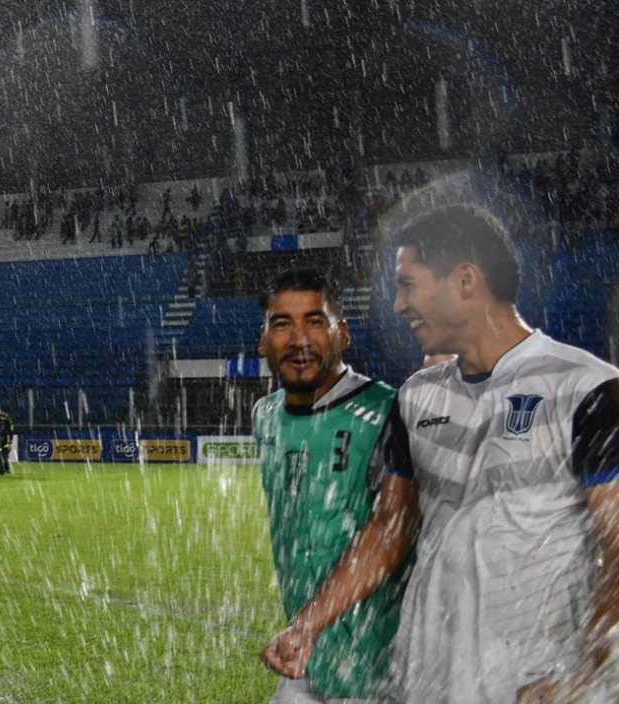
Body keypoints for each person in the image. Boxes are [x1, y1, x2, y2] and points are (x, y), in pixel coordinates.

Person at [262, 204, 619, 704]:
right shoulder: (417, 397)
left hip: (535, 684)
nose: (399, 304)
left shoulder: (587, 388)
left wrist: (579, 672)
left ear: (466, 281)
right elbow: (389, 532)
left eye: (409, 284)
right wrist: (309, 623)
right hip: (427, 677)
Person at [252, 268, 405, 704]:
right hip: (304, 661)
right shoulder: (265, 415)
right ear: (262, 340)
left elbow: (393, 534)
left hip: (378, 677)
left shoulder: (389, 412)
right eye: (282, 324)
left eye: (315, 321)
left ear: (343, 334)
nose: (299, 339)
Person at [0, 403, 14, 476]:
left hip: (0, 438)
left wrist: (10, 441)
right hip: (3, 438)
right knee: (3, 454)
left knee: (1, 453)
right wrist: (10, 440)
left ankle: (1, 468)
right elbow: (11, 428)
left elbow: (10, 428)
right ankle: (5, 468)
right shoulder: (6, 416)